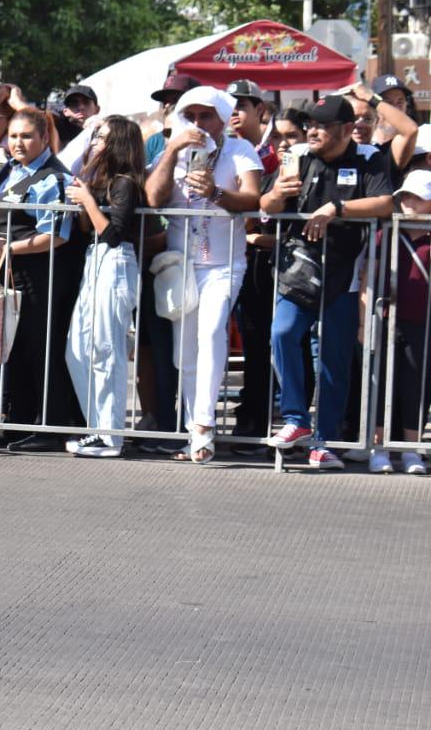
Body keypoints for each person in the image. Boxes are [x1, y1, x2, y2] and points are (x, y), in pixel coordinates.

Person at [261, 95, 394, 470]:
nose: (313, 131)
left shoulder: (368, 157)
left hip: (344, 275)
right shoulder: (297, 155)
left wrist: (338, 209)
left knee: (334, 360)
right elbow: (266, 205)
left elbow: (385, 203)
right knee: (283, 334)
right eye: (311, 125)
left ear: (347, 129)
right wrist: (277, 195)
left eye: (322, 125)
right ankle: (296, 421)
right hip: (298, 271)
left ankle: (325, 441)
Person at [145, 85, 262, 464]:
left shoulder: (239, 149)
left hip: (225, 264)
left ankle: (203, 427)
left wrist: (216, 194)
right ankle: (194, 427)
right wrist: (172, 150)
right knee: (186, 351)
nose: (198, 124)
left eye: (206, 116)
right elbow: (153, 198)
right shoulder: (175, 153)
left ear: (222, 117)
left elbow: (253, 199)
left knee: (212, 332)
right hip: (181, 266)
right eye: (191, 116)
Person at [0, 108, 82, 451]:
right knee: (18, 349)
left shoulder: (53, 178)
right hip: (12, 270)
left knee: (43, 349)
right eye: (12, 136)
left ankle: (53, 426)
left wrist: (11, 248)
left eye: (26, 136)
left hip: (44, 274)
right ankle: (21, 421)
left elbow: (56, 235)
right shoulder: (11, 169)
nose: (18, 143)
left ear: (43, 138)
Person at [63, 116, 145, 458]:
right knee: (77, 349)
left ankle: (109, 435)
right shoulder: (102, 180)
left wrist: (89, 203)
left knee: (105, 350)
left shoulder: (126, 182)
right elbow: (91, 229)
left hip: (115, 262)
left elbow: (113, 233)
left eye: (102, 137)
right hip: (96, 261)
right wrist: (84, 201)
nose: (95, 142)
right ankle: (96, 427)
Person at [231, 107, 310, 451]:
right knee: (257, 348)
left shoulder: (316, 177)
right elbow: (249, 222)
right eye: (277, 137)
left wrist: (262, 239)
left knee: (300, 350)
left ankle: (301, 425)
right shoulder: (267, 175)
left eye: (291, 136)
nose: (282, 144)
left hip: (303, 277)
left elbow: (306, 235)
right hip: (262, 275)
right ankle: (254, 422)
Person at [383, 169, 431, 473]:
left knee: (416, 385)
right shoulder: (386, 231)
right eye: (406, 196)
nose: (410, 202)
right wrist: (364, 321)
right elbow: (366, 278)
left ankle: (412, 449)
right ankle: (381, 447)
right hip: (387, 319)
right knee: (382, 384)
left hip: (422, 323)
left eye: (418, 197)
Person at [144, 74, 201, 164]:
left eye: (175, 100)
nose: (167, 105)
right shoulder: (154, 142)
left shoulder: (207, 139)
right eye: (165, 101)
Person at [226, 80, 277, 176]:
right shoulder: (220, 150)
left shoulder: (273, 154)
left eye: (240, 105)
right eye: (229, 105)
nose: (233, 112)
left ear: (259, 109)